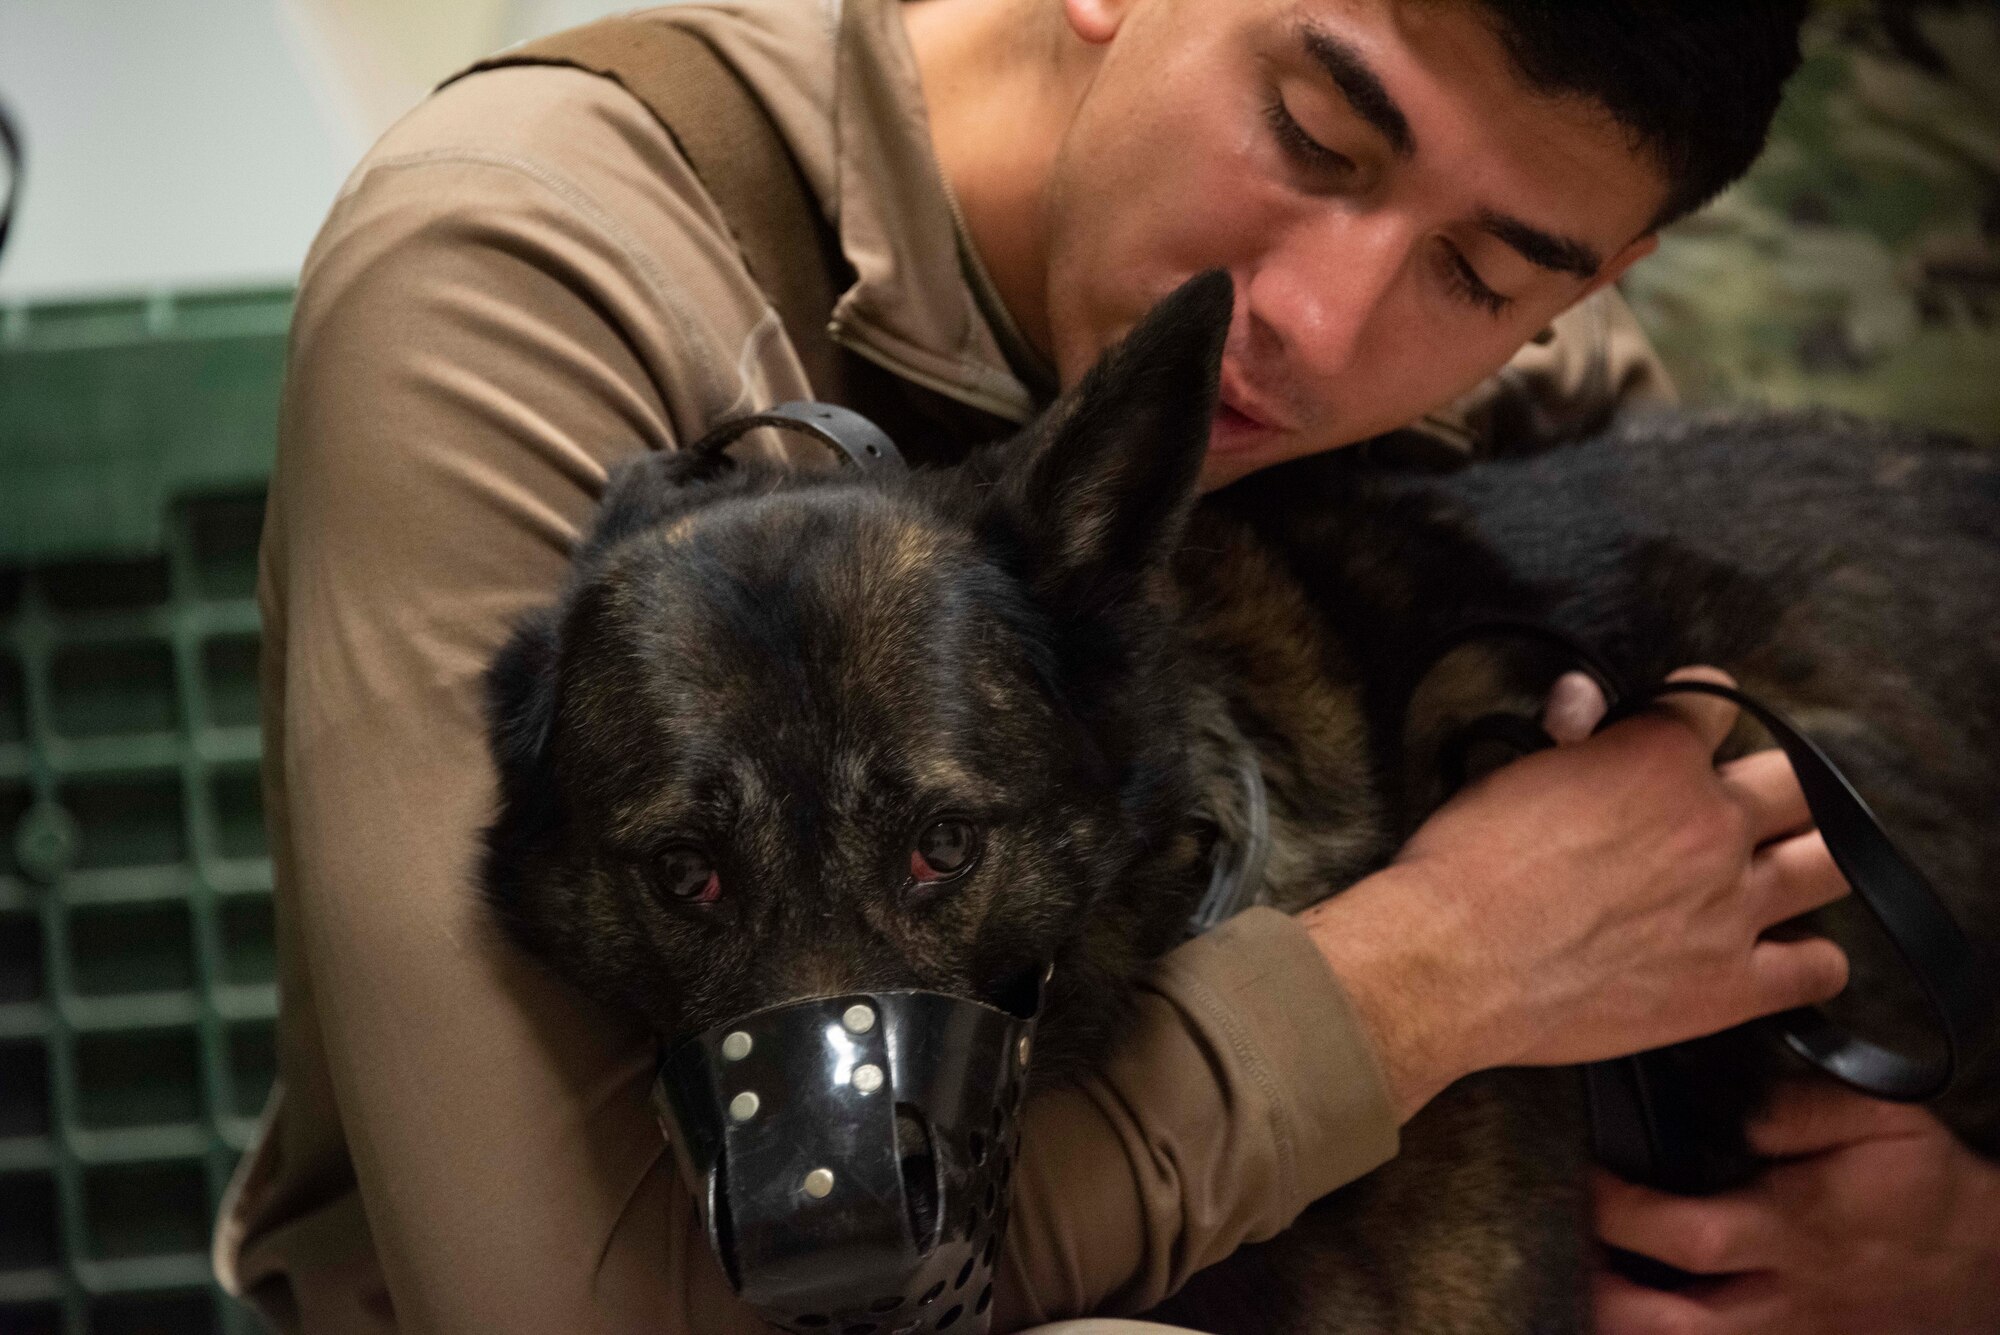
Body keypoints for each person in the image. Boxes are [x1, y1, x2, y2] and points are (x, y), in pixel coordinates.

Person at [211, 0, 2000, 1330]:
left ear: (1601, 272)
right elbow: (587, 1315)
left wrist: (1952, 1246)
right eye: (1313, 134)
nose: (1319, 324)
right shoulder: (531, 281)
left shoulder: (1508, 374)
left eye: (1482, 272)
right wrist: (1440, 970)